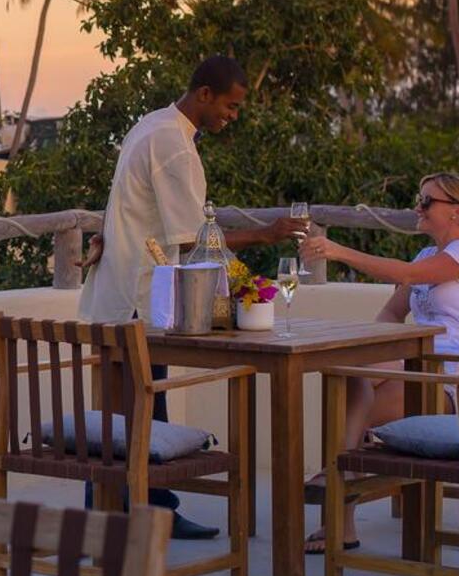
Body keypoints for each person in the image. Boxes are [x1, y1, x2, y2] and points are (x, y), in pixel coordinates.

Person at [76, 55, 305, 540]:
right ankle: (143, 515)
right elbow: (196, 239)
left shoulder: (152, 124)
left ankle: (131, 513)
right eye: (231, 105)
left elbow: (132, 209)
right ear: (204, 94)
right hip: (142, 297)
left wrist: (104, 239)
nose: (233, 116)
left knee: (129, 408)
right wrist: (266, 235)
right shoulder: (174, 146)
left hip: (121, 292)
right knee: (140, 408)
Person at [298, 171, 459, 553]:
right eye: (418, 199)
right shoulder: (425, 254)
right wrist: (369, 351)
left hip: (456, 382)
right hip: (418, 371)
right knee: (350, 381)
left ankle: (336, 500)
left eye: (426, 202)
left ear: (457, 210)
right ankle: (344, 502)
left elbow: (406, 275)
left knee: (350, 388)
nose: (416, 208)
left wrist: (338, 252)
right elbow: (391, 314)